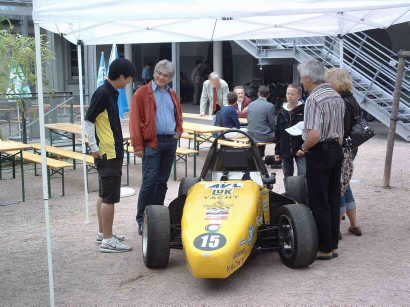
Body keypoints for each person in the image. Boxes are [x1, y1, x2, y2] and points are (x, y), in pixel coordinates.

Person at [84, 58, 136, 253]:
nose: (129, 82)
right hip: (108, 152)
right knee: (110, 197)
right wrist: (93, 148)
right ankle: (107, 240)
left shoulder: (110, 92)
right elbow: (88, 121)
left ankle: (102, 233)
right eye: (129, 78)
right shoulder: (103, 92)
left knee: (104, 194)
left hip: (109, 150)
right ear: (121, 76)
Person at [296, 59, 345, 260]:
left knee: (318, 200)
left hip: (319, 151)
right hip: (335, 148)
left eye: (301, 78)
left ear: (308, 78)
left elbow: (314, 134)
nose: (301, 81)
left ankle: (324, 247)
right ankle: (332, 244)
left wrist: (303, 147)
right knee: (333, 198)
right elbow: (340, 130)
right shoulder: (336, 95)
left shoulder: (313, 99)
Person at [129, 59, 183, 235]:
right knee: (149, 182)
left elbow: (178, 114)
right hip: (152, 142)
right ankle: (141, 219)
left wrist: (178, 131)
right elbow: (134, 121)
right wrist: (137, 145)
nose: (161, 77)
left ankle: (157, 217)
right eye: (159, 73)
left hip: (170, 141)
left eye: (165, 75)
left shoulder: (172, 94)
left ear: (170, 78)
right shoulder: (141, 93)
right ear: (154, 73)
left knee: (162, 182)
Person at [326, 67, 362, 237]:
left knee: (336, 185)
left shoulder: (340, 101)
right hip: (351, 147)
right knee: (344, 185)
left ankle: (336, 228)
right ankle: (354, 224)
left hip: (340, 148)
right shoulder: (352, 98)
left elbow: (338, 129)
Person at [274, 84, 306, 180]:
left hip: (300, 148)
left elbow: (309, 131)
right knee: (287, 175)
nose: (289, 96)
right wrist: (277, 151)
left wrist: (303, 148)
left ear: (299, 96)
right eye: (288, 94)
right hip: (285, 148)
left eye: (292, 94)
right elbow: (278, 133)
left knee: (303, 174)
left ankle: (301, 194)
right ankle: (288, 194)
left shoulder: (305, 110)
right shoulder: (281, 111)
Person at [247, 85, 276, 157]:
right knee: (282, 136)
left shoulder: (250, 104)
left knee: (262, 130)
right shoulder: (270, 106)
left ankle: (260, 156)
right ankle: (277, 158)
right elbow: (272, 124)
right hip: (263, 136)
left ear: (258, 93)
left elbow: (249, 120)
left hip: (251, 134)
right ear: (268, 95)